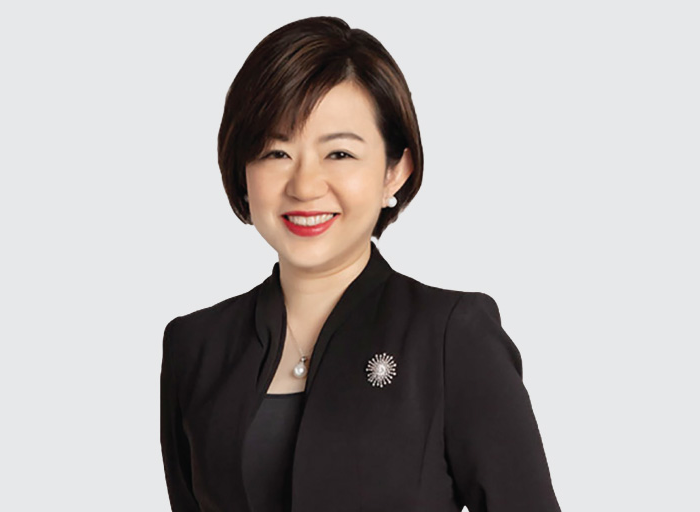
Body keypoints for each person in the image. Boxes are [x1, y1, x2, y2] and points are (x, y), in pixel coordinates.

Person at [160, 16, 561, 512]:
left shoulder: (451, 338)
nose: (305, 185)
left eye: (340, 153)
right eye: (276, 152)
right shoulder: (195, 348)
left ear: (395, 170)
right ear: (243, 170)